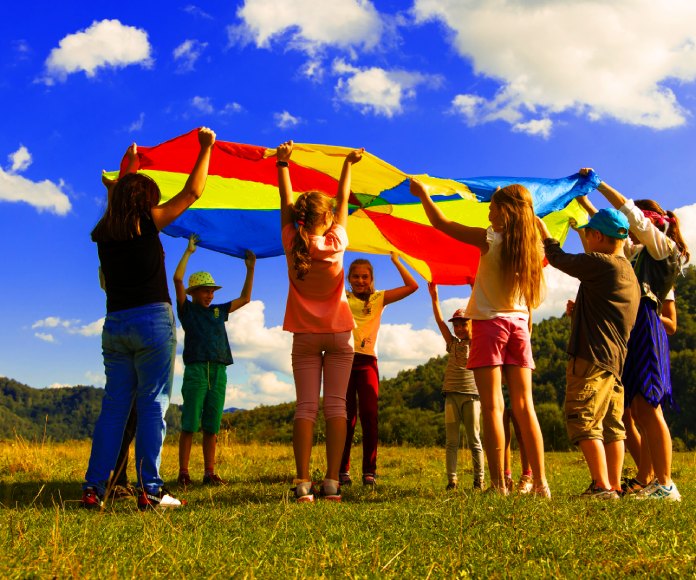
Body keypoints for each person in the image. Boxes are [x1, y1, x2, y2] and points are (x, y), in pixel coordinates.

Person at [83, 127, 216, 511]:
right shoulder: (148, 222)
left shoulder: (105, 230)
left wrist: (131, 165)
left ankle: (94, 489)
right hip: (152, 323)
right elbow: (193, 192)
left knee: (114, 407)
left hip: (116, 325)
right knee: (153, 405)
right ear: (144, 200)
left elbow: (117, 196)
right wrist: (204, 148)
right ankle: (151, 490)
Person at [411, 180, 550, 496]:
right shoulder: (533, 247)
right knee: (526, 406)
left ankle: (500, 484)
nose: (488, 210)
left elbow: (441, 223)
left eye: (492, 206)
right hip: (519, 325)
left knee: (492, 407)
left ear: (504, 212)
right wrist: (531, 217)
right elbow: (540, 231)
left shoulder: (489, 239)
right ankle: (541, 483)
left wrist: (423, 195)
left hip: (489, 324)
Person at [584, 168, 689, 501]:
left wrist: (599, 184)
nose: (630, 230)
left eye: (636, 223)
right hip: (632, 326)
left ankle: (665, 482)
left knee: (649, 407)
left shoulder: (662, 247)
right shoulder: (639, 252)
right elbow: (613, 232)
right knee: (634, 409)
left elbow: (627, 214)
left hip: (647, 325)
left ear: (649, 222)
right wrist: (584, 202)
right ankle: (650, 480)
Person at [277, 140, 363, 502]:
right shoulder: (337, 242)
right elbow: (344, 201)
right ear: (326, 219)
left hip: (305, 337)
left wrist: (283, 163)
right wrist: (348, 164)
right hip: (340, 335)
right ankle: (331, 482)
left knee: (306, 408)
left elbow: (284, 204)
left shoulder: (291, 241)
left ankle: (301, 483)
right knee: (337, 407)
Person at [537, 208, 640, 498]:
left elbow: (558, 259)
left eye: (588, 234)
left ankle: (601, 485)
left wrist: (546, 234)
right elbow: (608, 315)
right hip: (614, 361)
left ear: (597, 235)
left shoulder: (603, 263)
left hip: (592, 356)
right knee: (611, 426)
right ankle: (615, 485)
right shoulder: (627, 272)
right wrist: (579, 312)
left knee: (583, 417)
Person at [174, 234, 256, 488]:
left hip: (219, 370)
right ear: (194, 293)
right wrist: (188, 252)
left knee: (212, 425)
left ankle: (209, 472)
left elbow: (245, 299)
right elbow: (177, 279)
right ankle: (184, 473)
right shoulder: (187, 310)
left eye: (211, 291)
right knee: (189, 423)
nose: (209, 295)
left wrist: (250, 269)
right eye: (205, 291)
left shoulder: (219, 311)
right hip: (196, 370)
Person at [339, 254, 418, 487]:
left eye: (365, 276)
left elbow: (412, 286)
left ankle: (369, 472)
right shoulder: (342, 296)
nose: (360, 280)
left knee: (370, 416)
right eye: (356, 276)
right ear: (349, 278)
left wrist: (396, 260)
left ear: (371, 278)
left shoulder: (378, 298)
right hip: (343, 359)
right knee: (345, 418)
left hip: (367, 362)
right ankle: (343, 470)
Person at [428, 283, 484, 491]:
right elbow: (440, 322)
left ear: (471, 324)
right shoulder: (452, 343)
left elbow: (480, 313)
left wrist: (474, 289)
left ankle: (479, 480)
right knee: (451, 441)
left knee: (474, 439)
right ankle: (452, 480)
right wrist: (435, 297)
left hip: (471, 397)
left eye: (464, 324)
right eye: (457, 325)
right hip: (451, 396)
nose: (459, 328)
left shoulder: (477, 341)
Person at [622, 294, 676, 491]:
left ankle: (665, 483)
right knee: (638, 411)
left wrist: (646, 314)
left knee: (650, 409)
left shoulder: (657, 269)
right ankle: (645, 478)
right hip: (634, 337)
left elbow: (672, 324)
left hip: (648, 337)